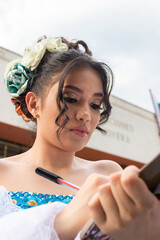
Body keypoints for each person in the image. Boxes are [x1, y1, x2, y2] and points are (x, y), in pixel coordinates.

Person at [0, 36, 159, 240]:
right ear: (33, 104)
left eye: (95, 105)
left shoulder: (109, 172)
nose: (85, 114)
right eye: (71, 99)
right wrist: (62, 223)